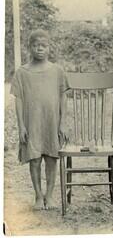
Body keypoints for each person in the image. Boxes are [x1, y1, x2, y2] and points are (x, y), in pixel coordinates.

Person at [11, 29, 68, 210]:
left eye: (43, 45)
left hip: (51, 122)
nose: (40, 49)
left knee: (51, 158)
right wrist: (21, 126)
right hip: (32, 122)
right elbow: (18, 99)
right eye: (36, 45)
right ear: (30, 48)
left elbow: (63, 97)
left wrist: (63, 123)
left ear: (49, 47)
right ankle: (37, 195)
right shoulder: (22, 73)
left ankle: (49, 196)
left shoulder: (57, 71)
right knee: (34, 159)